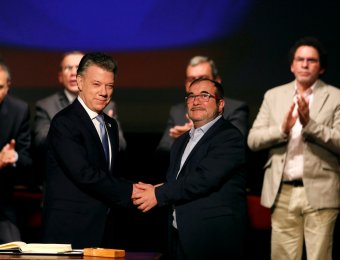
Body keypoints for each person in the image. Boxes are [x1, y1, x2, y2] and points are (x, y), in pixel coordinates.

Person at [247, 37, 340, 260]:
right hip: (282, 190)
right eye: (300, 59)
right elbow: (253, 140)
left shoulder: (338, 98)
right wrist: (282, 129)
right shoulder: (273, 96)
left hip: (321, 190)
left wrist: (310, 124)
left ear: (321, 68)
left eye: (311, 60)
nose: (304, 64)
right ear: (292, 65)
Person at [133, 78, 247, 260]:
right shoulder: (180, 142)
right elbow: (180, 181)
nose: (196, 101)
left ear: (220, 104)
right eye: (191, 96)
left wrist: (158, 194)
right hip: (180, 237)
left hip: (213, 240)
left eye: (205, 95)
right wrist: (155, 189)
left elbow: (203, 179)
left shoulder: (229, 137)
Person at [42, 52, 137, 249]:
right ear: (80, 82)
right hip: (70, 233)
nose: (104, 92)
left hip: (105, 230)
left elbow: (109, 173)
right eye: (96, 84)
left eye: (109, 86)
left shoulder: (110, 124)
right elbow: (84, 174)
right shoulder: (64, 123)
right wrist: (131, 190)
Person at [33, 51, 126, 152]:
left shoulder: (107, 105)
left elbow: (121, 144)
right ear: (60, 77)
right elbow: (41, 141)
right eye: (68, 68)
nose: (73, 73)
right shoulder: (46, 105)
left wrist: (105, 131)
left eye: (78, 68)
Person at [157, 55, 249, 152]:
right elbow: (163, 150)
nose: (197, 83)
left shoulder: (235, 109)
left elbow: (234, 145)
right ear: (186, 85)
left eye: (203, 78)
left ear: (217, 81)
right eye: (192, 79)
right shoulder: (177, 111)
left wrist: (193, 136)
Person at [0, 60, 32, 243]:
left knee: (14, 246)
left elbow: (27, 160)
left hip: (2, 199)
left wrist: (13, 157)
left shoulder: (18, 110)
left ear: (8, 86)